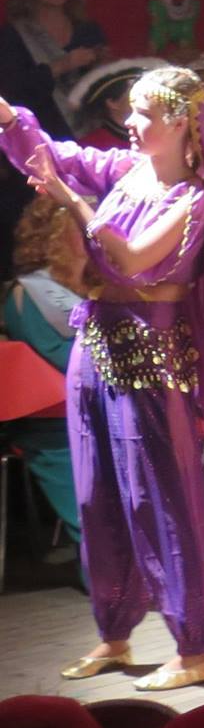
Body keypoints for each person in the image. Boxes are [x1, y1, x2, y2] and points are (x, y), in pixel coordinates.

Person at [0, 66, 204, 693]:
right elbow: (54, 154)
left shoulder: (194, 198)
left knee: (160, 498)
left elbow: (130, 257)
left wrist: (71, 202)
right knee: (97, 494)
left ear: (181, 122)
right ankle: (114, 632)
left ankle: (194, 648)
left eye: (144, 112)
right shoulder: (125, 170)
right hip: (95, 339)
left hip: (152, 351)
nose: (130, 121)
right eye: (131, 110)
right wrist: (9, 119)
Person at [2, 194, 89, 539]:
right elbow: (67, 360)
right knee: (100, 527)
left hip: (105, 414)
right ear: (55, 235)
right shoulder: (30, 294)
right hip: (59, 429)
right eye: (82, 225)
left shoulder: (97, 289)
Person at [1, 0, 109, 136]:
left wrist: (103, 66)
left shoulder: (87, 30)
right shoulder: (12, 36)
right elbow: (13, 93)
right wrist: (62, 65)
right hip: (38, 137)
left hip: (90, 137)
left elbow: (106, 90)